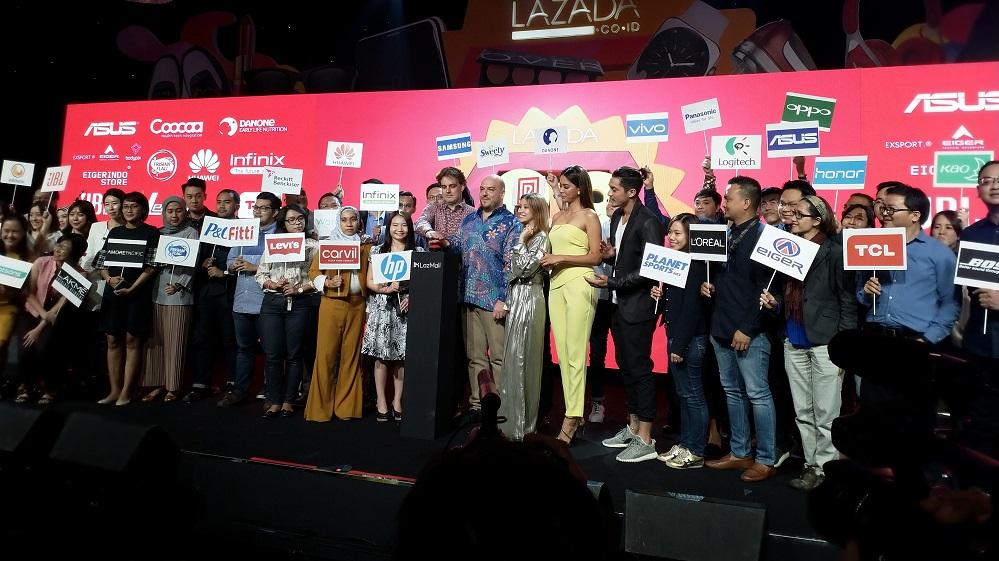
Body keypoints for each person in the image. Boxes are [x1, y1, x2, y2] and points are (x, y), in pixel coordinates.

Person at [760, 195, 857, 490]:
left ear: (817, 220)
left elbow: (847, 300)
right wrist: (775, 302)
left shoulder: (834, 252)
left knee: (826, 412)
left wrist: (844, 344)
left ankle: (826, 469)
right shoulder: (788, 247)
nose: (792, 217)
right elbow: (785, 291)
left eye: (799, 214)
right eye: (791, 212)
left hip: (826, 342)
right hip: (793, 339)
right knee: (803, 411)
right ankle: (811, 465)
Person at [700, 176, 780, 482]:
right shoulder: (723, 233)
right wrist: (708, 286)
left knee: (757, 393)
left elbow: (767, 289)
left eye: (729, 198)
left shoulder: (766, 237)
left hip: (750, 331)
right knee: (732, 392)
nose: (724, 202)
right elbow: (722, 277)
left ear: (746, 202)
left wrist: (748, 328)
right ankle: (740, 452)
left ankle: (766, 458)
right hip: (720, 327)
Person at [589, 166, 666, 462]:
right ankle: (633, 428)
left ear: (632, 192)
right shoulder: (617, 218)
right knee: (626, 367)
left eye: (614, 189)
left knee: (639, 369)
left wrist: (612, 282)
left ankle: (645, 439)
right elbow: (627, 258)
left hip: (638, 306)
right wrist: (612, 256)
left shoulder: (649, 221)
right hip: (618, 304)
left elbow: (650, 269)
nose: (609, 193)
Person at [859, 184, 959, 404]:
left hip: (914, 345)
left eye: (892, 209)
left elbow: (950, 304)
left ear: (915, 215)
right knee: (872, 412)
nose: (885, 213)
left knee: (911, 414)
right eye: (883, 208)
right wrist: (866, 292)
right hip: (875, 343)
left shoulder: (939, 254)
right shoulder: (872, 245)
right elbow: (860, 292)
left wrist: (927, 340)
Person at [446, 175, 521, 414]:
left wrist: (504, 299)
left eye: (491, 189)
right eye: (482, 189)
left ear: (501, 193)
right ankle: (477, 404)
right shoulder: (469, 220)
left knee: (499, 358)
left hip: (494, 301)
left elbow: (512, 264)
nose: (485, 193)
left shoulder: (511, 223)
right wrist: (442, 241)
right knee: (475, 357)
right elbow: (456, 246)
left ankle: (500, 408)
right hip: (468, 298)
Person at [541, 165, 601, 444]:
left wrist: (561, 257)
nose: (562, 190)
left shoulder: (589, 215)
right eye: (561, 186)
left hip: (580, 283)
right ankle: (574, 412)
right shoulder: (557, 216)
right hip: (556, 285)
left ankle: (572, 416)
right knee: (563, 355)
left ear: (579, 188)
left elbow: (595, 257)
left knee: (576, 354)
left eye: (566, 186)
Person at [650, 213, 711, 469]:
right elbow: (675, 300)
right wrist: (659, 295)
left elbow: (692, 308)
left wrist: (679, 344)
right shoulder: (676, 261)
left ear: (691, 236)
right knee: (684, 395)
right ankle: (686, 444)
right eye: (670, 232)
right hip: (676, 335)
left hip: (689, 339)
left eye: (678, 233)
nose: (671, 237)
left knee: (693, 395)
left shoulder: (695, 264)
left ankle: (696, 450)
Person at [95, 192, 160, 405]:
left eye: (134, 206)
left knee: (132, 340)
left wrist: (132, 288)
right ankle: (114, 390)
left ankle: (126, 391)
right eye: (126, 206)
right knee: (112, 339)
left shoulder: (151, 233)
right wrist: (109, 279)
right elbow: (101, 263)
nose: (129, 210)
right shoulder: (115, 232)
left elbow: (152, 266)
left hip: (137, 295)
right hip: (113, 293)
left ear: (144, 209)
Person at [306, 206, 370, 421]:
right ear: (338, 222)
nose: (349, 223)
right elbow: (313, 271)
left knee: (351, 357)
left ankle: (347, 409)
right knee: (326, 356)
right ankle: (319, 410)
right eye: (344, 220)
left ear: (359, 222)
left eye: (353, 219)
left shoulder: (366, 246)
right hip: (331, 304)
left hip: (357, 305)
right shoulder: (328, 244)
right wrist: (326, 281)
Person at [255, 203, 319, 418]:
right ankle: (274, 400)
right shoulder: (273, 243)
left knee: (294, 354)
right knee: (273, 354)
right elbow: (261, 274)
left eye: (300, 219)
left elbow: (318, 277)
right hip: (272, 303)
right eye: (291, 220)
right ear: (283, 223)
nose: (297, 223)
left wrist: (299, 288)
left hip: (300, 303)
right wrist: (272, 284)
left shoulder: (313, 246)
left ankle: (288, 401)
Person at [217, 192, 280, 407]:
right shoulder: (244, 230)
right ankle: (240, 390)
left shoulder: (281, 234)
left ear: (275, 212)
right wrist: (232, 265)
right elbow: (230, 261)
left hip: (267, 302)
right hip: (241, 300)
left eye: (264, 208)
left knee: (271, 353)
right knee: (244, 349)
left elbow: (281, 267)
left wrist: (256, 267)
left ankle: (272, 394)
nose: (258, 211)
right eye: (256, 207)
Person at [498, 193, 550, 440]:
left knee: (524, 359)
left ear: (537, 211)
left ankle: (524, 427)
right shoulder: (527, 235)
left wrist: (519, 242)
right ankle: (509, 423)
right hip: (516, 297)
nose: (520, 210)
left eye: (526, 207)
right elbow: (512, 272)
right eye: (519, 206)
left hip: (530, 299)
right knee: (512, 359)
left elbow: (524, 269)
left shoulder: (541, 238)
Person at [362, 211, 422, 422]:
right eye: (395, 225)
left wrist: (413, 296)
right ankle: (381, 400)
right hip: (382, 308)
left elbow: (424, 283)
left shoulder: (418, 253)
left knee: (401, 357)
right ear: (389, 228)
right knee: (381, 357)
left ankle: (397, 401)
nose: (399, 229)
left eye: (403, 225)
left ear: (409, 228)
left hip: (405, 310)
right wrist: (384, 289)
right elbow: (369, 281)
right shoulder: (378, 250)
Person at [14, 234, 88, 404]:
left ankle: (50, 388)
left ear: (74, 253)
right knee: (25, 348)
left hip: (56, 317)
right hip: (33, 310)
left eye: (64, 248)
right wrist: (42, 315)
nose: (58, 250)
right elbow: (29, 293)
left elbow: (61, 306)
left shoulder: (80, 274)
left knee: (45, 347)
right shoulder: (41, 262)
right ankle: (26, 386)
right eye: (58, 245)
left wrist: (39, 328)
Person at [957, 160, 999, 456]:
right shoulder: (971, 235)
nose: (994, 186)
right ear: (978, 189)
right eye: (986, 180)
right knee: (982, 424)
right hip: (979, 344)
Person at [184, 189, 238, 402]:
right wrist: (202, 263)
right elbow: (196, 257)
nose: (222, 206)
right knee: (203, 338)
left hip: (230, 292)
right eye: (219, 202)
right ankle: (201, 383)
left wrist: (223, 272)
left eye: (227, 202)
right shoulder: (209, 226)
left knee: (230, 339)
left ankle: (233, 383)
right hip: (206, 292)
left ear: (237, 206)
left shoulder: (244, 229)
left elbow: (247, 260)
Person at [141, 196, 197, 403]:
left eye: (178, 210)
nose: (174, 215)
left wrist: (179, 284)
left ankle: (172, 387)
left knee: (175, 343)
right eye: (169, 211)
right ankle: (156, 384)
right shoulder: (158, 233)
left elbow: (192, 264)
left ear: (185, 212)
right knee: (155, 343)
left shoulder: (191, 232)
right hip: (157, 293)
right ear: (164, 212)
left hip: (179, 295)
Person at [587, 197, 618, 423]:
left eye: (614, 200)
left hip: (620, 300)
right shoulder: (596, 224)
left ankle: (634, 411)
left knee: (625, 355)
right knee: (596, 354)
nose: (610, 203)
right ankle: (597, 403)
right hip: (598, 299)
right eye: (608, 200)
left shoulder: (629, 229)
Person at [0, 214, 32, 396]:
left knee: (0, 344)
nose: (10, 235)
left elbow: (26, 290)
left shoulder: (26, 257)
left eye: (15, 232)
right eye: (6, 231)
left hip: (7, 308)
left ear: (23, 233)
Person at [415, 167, 475, 245]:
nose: (447, 191)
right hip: (435, 252)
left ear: (462, 187)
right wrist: (429, 231)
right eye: (444, 187)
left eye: (452, 186)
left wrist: (447, 243)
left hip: (462, 252)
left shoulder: (473, 213)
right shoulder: (434, 207)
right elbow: (421, 221)